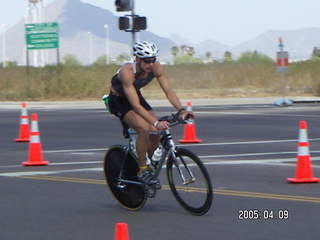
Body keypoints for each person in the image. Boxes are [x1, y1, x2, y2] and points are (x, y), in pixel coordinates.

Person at [108, 41, 192, 184]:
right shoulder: (127, 72)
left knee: (155, 132)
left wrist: (182, 109)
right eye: (147, 61)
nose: (151, 64)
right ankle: (142, 168)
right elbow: (134, 105)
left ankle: (147, 160)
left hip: (135, 96)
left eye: (153, 60)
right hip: (118, 101)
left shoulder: (156, 68)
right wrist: (155, 122)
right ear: (138, 59)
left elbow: (168, 91)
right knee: (144, 128)